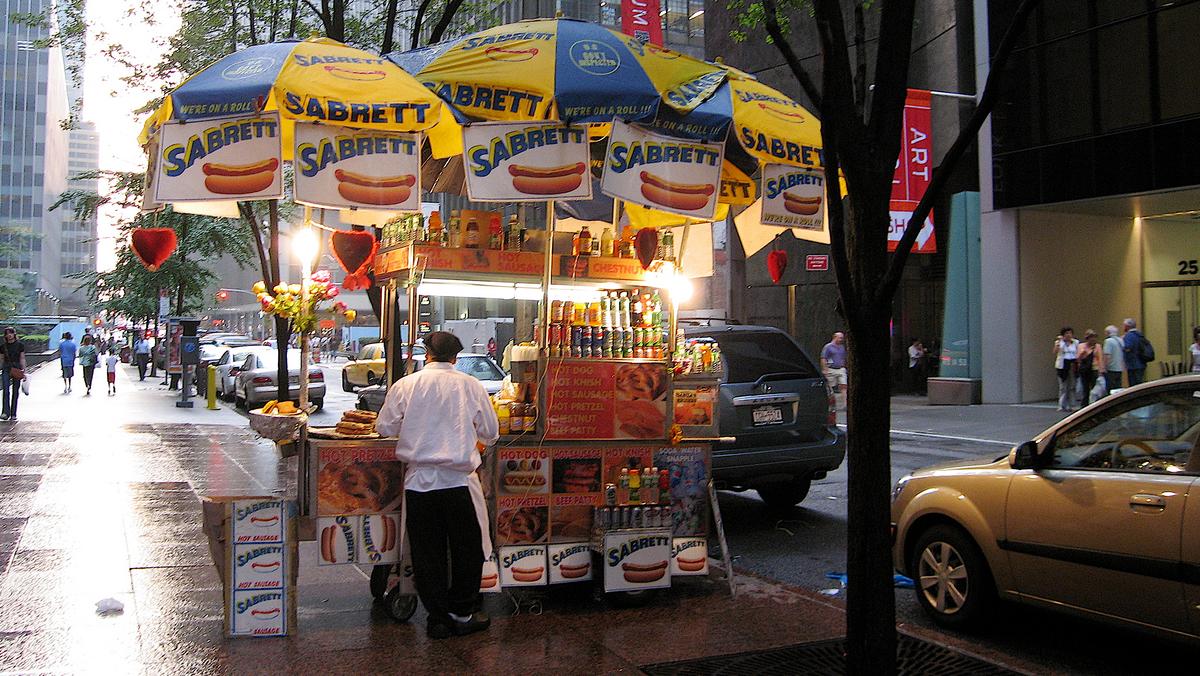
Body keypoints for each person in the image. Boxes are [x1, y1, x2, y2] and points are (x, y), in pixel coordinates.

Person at [375, 331, 499, 640]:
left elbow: (384, 426)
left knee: (426, 553)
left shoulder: (405, 385)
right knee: (466, 551)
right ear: (456, 358)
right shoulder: (471, 386)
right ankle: (463, 612)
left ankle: (438, 618)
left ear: (426, 354)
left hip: (420, 483)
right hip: (459, 483)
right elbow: (491, 431)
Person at [1, 328, 26, 421]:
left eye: (11, 333)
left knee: (15, 391)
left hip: (17, 368)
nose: (9, 335)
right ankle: (5, 413)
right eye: (7, 334)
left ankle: (13, 413)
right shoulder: (3, 346)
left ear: (14, 334)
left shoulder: (20, 345)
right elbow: (2, 359)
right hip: (6, 368)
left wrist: (24, 370)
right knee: (6, 390)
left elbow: (22, 358)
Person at [1052, 327, 1079, 411]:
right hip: (1062, 365)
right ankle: (1061, 405)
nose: (1068, 335)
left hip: (1072, 364)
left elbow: (1078, 352)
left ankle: (1072, 404)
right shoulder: (1059, 342)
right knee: (1063, 386)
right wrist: (1060, 342)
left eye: (1070, 333)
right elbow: (1055, 352)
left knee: (1072, 385)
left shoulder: (1075, 342)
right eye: (1066, 333)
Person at [1075, 329, 1104, 406]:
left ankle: (1094, 405)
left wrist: (1101, 370)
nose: (1093, 339)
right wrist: (1082, 353)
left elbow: (1100, 358)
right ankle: (1084, 406)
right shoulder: (1081, 346)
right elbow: (1077, 359)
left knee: (1094, 388)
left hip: (1094, 368)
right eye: (1091, 337)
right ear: (1087, 338)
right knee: (1085, 388)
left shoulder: (1097, 346)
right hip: (1084, 370)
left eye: (1094, 337)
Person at [820, 332, 847, 408]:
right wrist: (825, 369)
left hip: (840, 369)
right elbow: (823, 358)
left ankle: (845, 404)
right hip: (831, 369)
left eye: (842, 338)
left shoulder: (842, 347)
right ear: (835, 337)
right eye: (840, 338)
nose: (841, 339)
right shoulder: (828, 347)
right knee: (831, 388)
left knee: (844, 386)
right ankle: (832, 404)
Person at [1121, 318, 1148, 387]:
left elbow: (1128, 348)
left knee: (1133, 385)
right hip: (1141, 362)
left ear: (1127, 326)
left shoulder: (1129, 335)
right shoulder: (1139, 334)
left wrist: (1122, 346)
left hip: (1133, 364)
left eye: (1124, 325)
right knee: (1140, 383)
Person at [1102, 325, 1124, 395]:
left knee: (1110, 389)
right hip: (1119, 368)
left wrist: (1104, 368)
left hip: (1111, 368)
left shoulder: (1108, 341)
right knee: (1118, 388)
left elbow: (1107, 355)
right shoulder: (1120, 341)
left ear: (1108, 332)